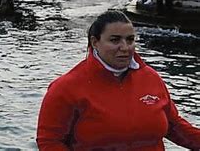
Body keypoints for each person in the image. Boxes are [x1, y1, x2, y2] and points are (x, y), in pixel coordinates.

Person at [36, 10, 200, 150]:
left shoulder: (151, 77)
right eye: (115, 40)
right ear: (95, 42)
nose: (125, 47)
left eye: (130, 39)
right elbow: (50, 141)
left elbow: (174, 125)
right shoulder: (65, 88)